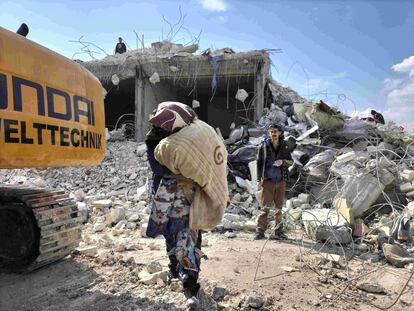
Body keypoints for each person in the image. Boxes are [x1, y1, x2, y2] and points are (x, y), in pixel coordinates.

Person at [145, 103, 204, 309]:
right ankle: (173, 266)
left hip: (189, 196)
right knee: (170, 234)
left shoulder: (187, 137)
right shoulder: (153, 139)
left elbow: (201, 163)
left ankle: (190, 284)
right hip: (166, 197)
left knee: (191, 236)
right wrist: (181, 171)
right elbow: (157, 167)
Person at [254, 124, 293, 240]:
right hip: (268, 181)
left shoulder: (285, 146)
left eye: (275, 131)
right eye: (271, 132)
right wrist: (258, 179)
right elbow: (259, 163)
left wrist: (283, 162)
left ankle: (278, 232)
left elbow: (291, 162)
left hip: (281, 181)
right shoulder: (263, 146)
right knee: (265, 207)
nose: (273, 134)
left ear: (280, 133)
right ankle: (260, 231)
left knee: (278, 208)